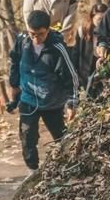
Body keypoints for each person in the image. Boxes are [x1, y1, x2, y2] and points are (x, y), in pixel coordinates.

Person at [8, 10, 79, 172]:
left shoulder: (57, 47)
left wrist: (72, 102)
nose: (36, 39)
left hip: (52, 100)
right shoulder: (22, 41)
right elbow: (14, 62)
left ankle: (70, 165)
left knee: (61, 137)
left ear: (48, 30)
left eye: (40, 34)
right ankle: (32, 169)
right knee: (27, 136)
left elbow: (71, 76)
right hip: (28, 98)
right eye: (32, 34)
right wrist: (14, 85)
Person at [75, 4, 108, 90]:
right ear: (92, 18)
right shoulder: (83, 31)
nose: (102, 23)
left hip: (103, 65)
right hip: (86, 67)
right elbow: (76, 53)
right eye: (99, 19)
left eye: (104, 19)